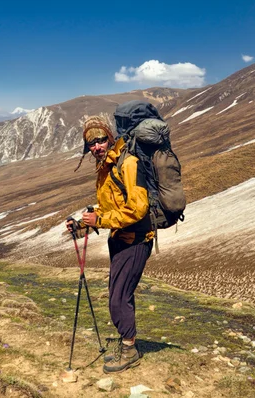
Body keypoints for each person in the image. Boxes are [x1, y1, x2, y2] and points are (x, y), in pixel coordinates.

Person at [66, 114, 154, 374]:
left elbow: (138, 209)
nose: (97, 146)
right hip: (119, 240)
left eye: (101, 139)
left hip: (136, 241)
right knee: (121, 295)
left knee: (117, 299)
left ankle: (129, 350)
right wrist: (84, 223)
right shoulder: (106, 166)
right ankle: (128, 342)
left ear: (110, 137)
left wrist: (101, 219)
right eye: (91, 143)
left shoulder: (128, 164)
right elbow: (108, 207)